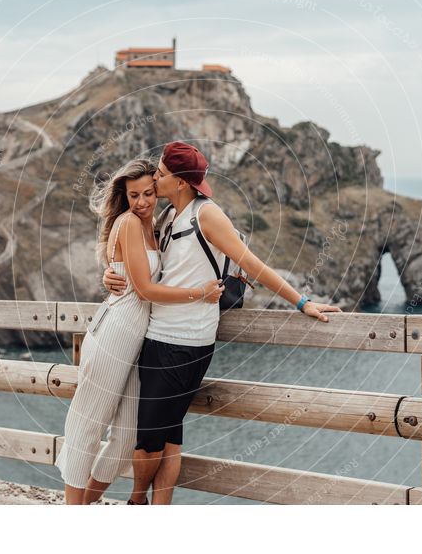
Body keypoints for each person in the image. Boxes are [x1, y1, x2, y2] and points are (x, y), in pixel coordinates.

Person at [103, 141, 343, 505]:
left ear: (181, 182)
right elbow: (141, 263)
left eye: (162, 174)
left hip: (184, 342)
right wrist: (110, 274)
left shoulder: (207, 214)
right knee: (169, 435)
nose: (155, 177)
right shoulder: (168, 216)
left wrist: (303, 302)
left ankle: (136, 502)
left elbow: (252, 263)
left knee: (148, 437)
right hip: (159, 337)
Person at [55, 158, 224, 505]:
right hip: (116, 332)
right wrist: (200, 294)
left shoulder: (158, 224)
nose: (142, 201)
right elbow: (144, 289)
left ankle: (86, 502)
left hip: (143, 339)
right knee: (88, 425)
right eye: (134, 195)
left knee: (127, 436)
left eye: (149, 192)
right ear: (124, 195)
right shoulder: (130, 222)